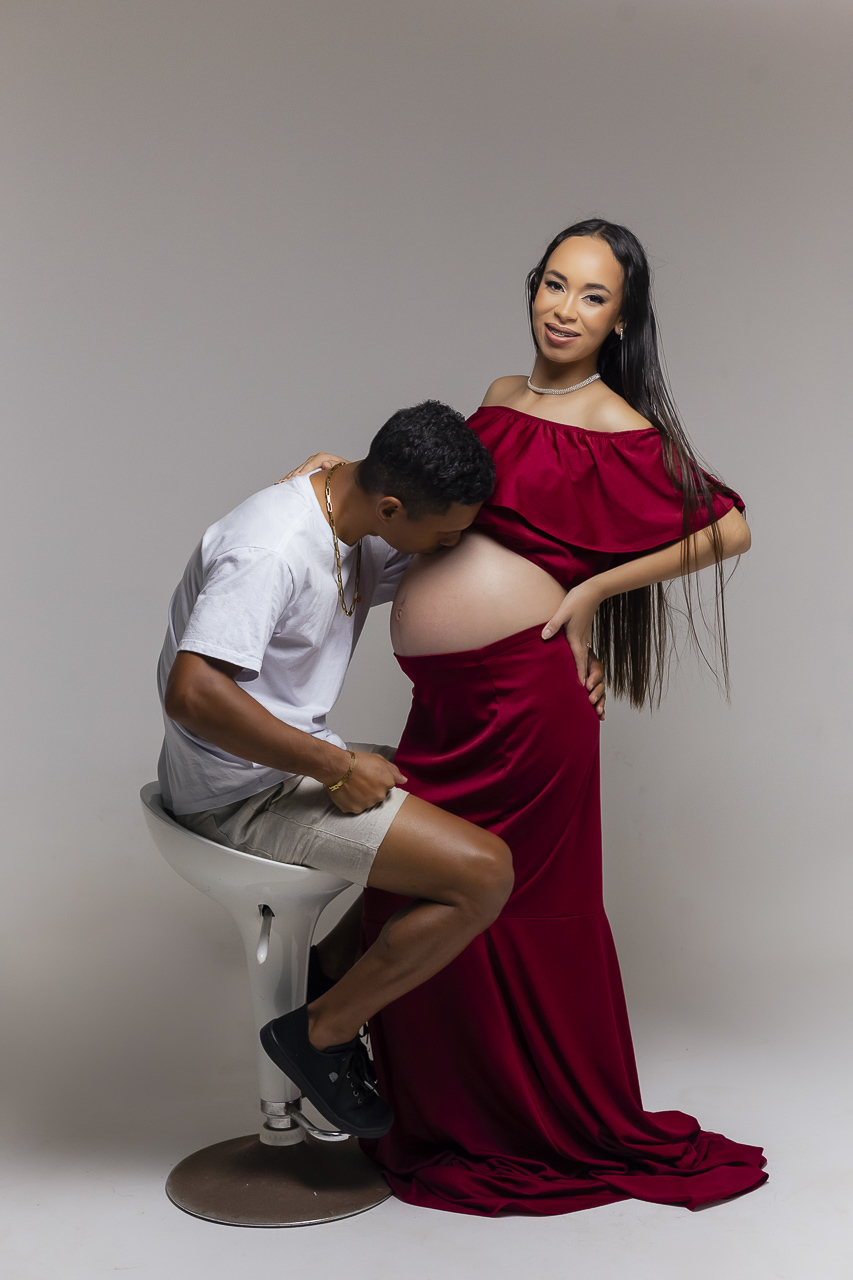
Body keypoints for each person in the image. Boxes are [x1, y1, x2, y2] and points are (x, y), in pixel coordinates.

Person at [288, 220, 767, 1215]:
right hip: (447, 703)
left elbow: (728, 526)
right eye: (554, 284)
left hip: (525, 709)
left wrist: (592, 592)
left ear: (620, 320)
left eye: (592, 296)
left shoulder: (617, 422)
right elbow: (441, 512)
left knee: (506, 901)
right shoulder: (501, 395)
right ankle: (421, 1094)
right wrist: (358, 478)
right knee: (429, 884)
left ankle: (513, 1116)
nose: (564, 309)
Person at [156, 400, 522, 1142]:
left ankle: (326, 970)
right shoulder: (272, 548)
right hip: (240, 795)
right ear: (391, 508)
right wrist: (335, 766)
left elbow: (469, 548)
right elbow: (192, 693)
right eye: (443, 533)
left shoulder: (356, 516)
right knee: (483, 876)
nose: (449, 545)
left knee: (465, 787)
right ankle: (320, 1034)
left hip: (283, 762)